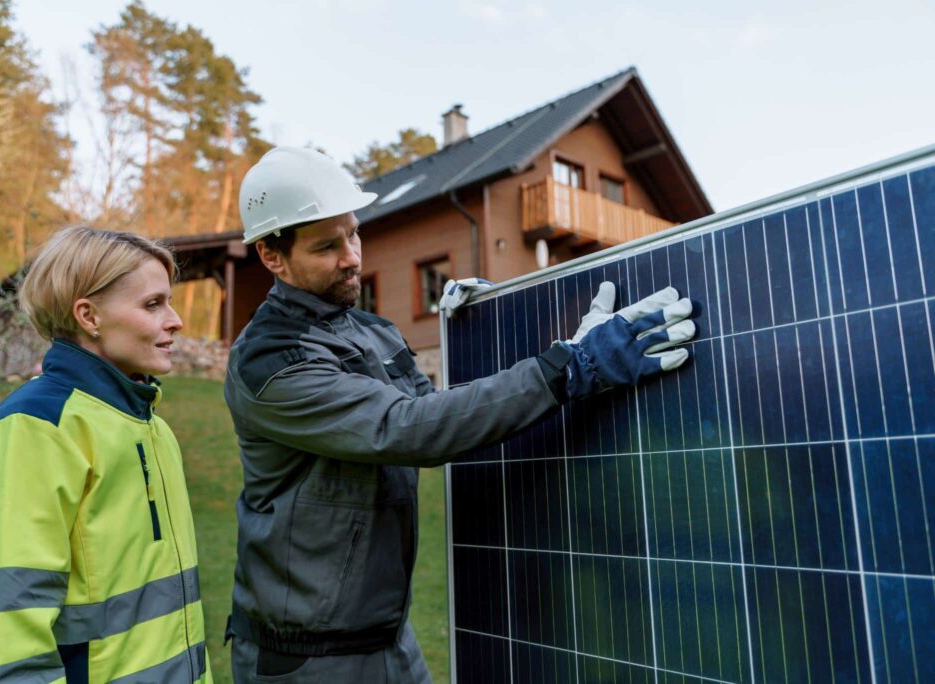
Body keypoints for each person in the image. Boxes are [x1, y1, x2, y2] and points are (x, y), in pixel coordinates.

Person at [223, 147, 695, 683]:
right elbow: (407, 429)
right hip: (305, 659)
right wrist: (571, 365)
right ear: (271, 255)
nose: (352, 256)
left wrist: (495, 325)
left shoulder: (372, 331)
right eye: (327, 246)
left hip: (391, 639)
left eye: (353, 233)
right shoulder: (269, 361)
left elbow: (447, 414)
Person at [0, 226, 213, 682]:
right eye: (153, 304)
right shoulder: (29, 431)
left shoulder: (152, 428)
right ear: (89, 316)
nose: (176, 320)